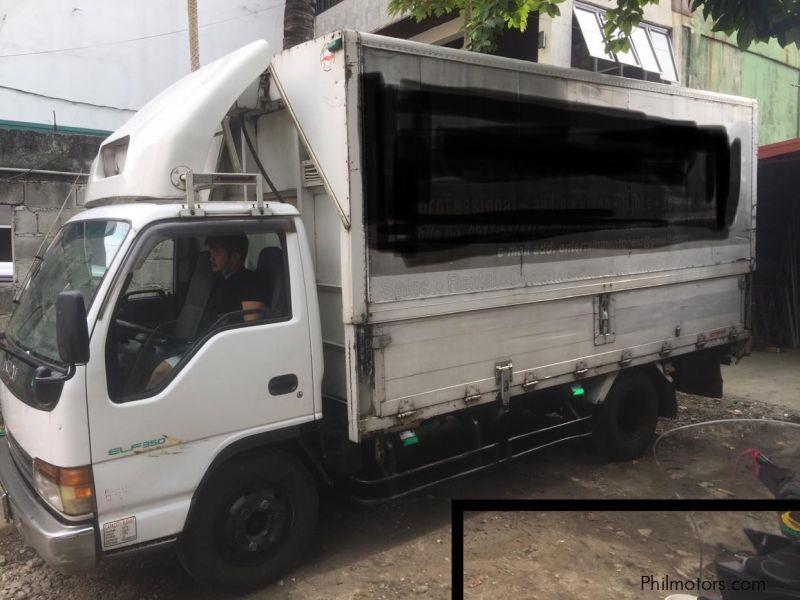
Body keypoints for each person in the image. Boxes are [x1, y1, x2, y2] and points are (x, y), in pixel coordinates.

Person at [146, 234, 268, 389]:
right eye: (210, 253)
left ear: (235, 257)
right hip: (199, 345)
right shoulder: (216, 279)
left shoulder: (252, 283)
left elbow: (252, 329)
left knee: (160, 373)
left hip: (222, 351)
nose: (210, 258)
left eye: (216, 253)